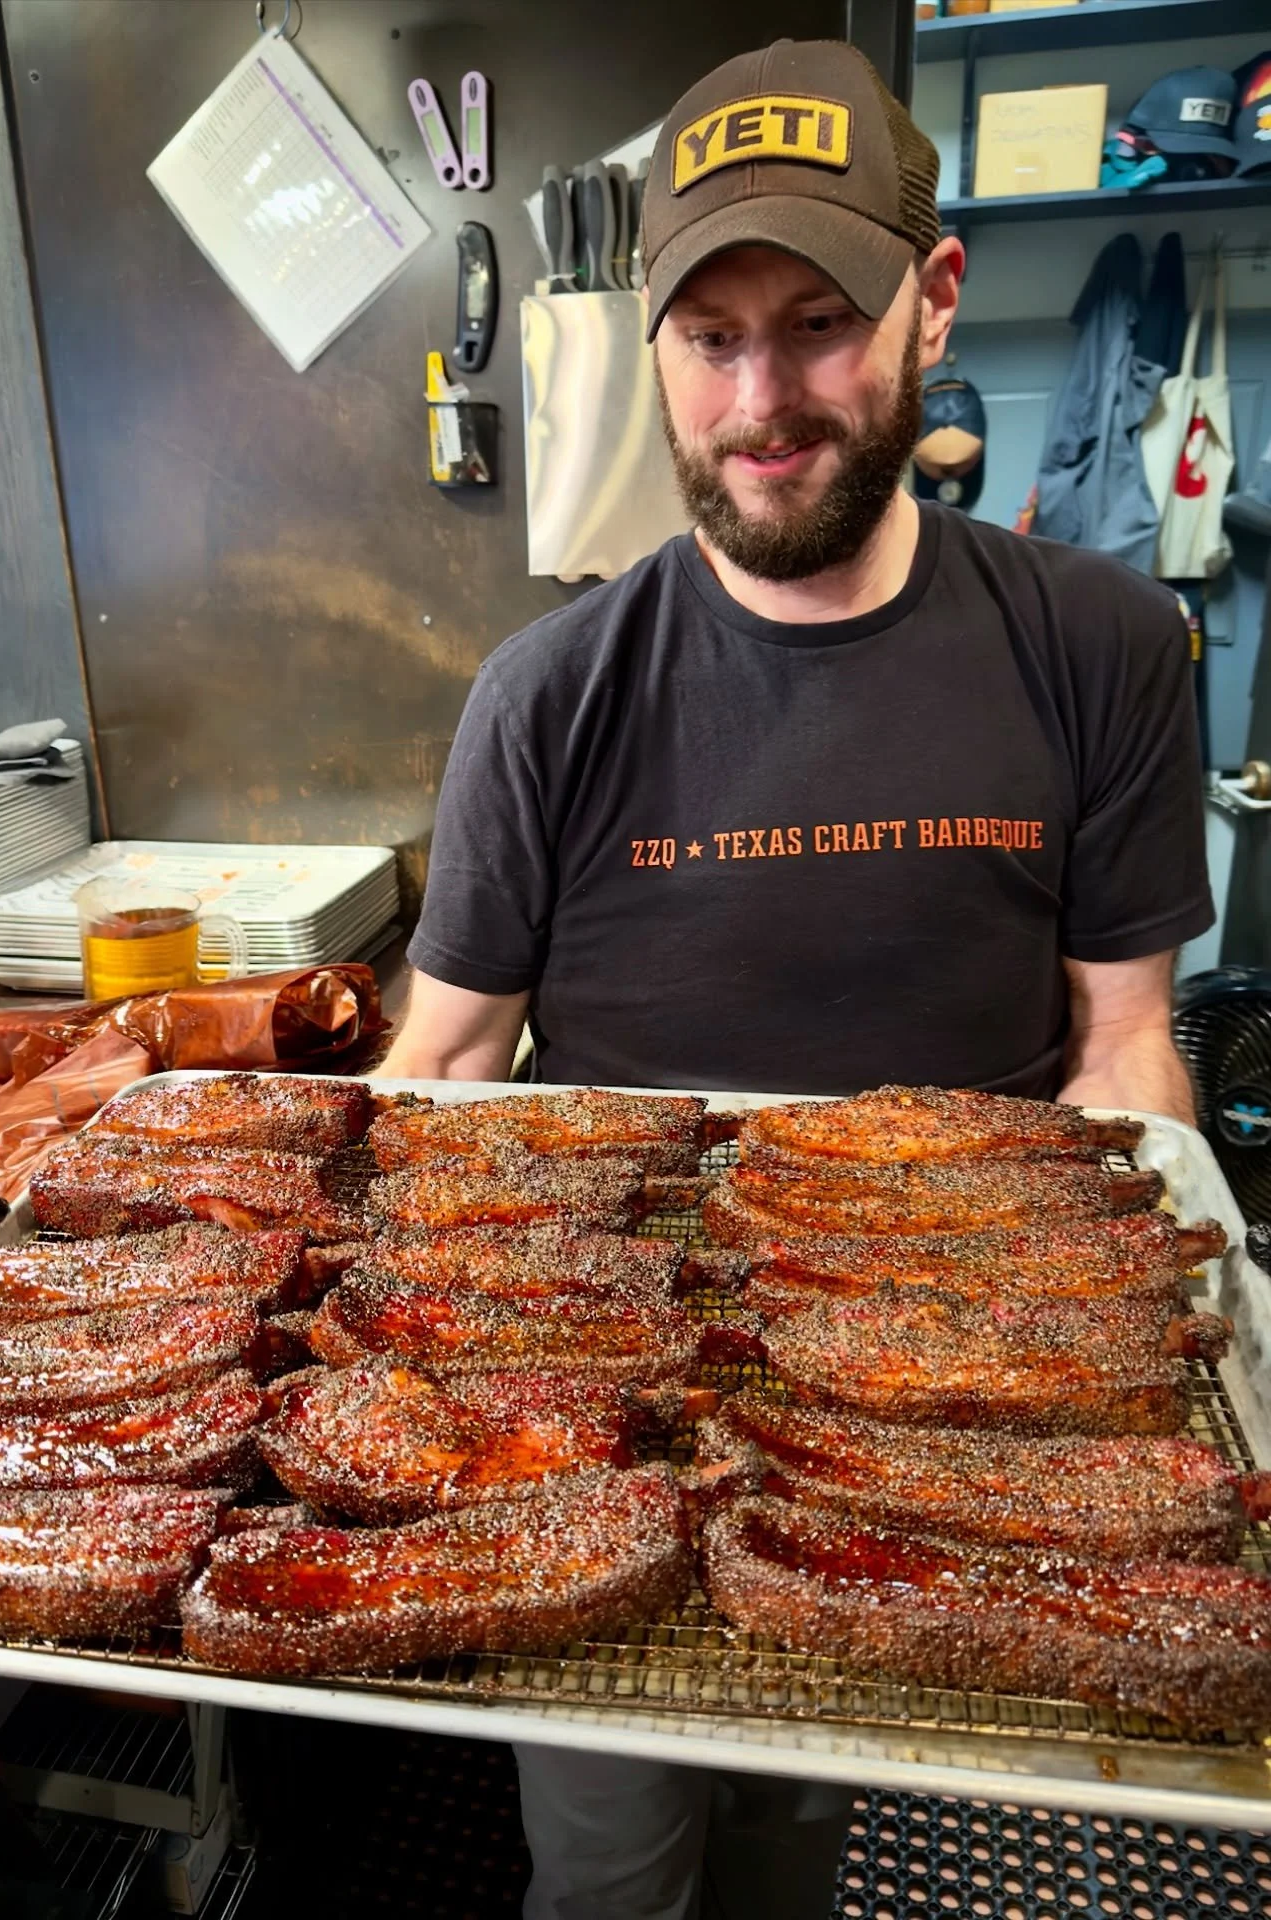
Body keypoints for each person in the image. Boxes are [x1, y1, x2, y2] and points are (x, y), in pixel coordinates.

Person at [379, 36, 1212, 1920]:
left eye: (822, 323)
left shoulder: (1100, 643)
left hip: (948, 1375)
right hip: (581, 1381)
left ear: (933, 302)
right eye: (711, 337)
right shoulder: (550, 693)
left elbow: (1128, 1047)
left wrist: (1123, 1357)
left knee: (802, 1835)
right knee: (609, 1873)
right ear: (654, 347)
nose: (765, 401)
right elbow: (449, 1048)